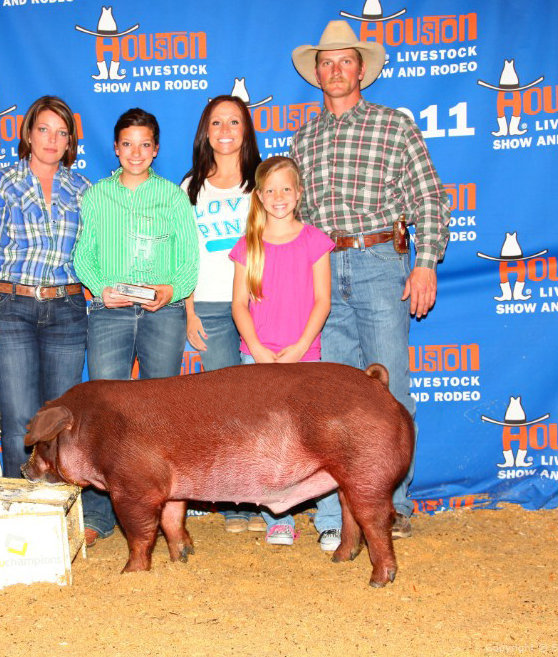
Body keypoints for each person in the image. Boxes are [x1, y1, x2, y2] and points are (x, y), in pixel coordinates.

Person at [290, 20, 450, 549]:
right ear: (317, 73)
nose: (336, 70)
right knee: (333, 403)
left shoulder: (394, 126)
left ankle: (393, 506)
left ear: (362, 69)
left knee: (389, 395)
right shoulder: (303, 137)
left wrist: (425, 262)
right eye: (326, 62)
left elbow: (428, 197)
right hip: (322, 266)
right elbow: (297, 216)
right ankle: (339, 515)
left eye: (345, 61)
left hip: (381, 259)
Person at [73, 107, 199, 547]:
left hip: (161, 312)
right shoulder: (96, 196)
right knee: (105, 414)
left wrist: (173, 289)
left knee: (160, 415)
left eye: (145, 144)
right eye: (128, 144)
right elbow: (82, 255)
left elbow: (189, 260)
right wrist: (99, 288)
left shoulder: (172, 196)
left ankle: (168, 516)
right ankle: (100, 516)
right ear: (115, 148)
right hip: (109, 311)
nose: (136, 152)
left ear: (157, 149)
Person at [0, 96, 90, 486]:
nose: (52, 140)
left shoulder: (83, 188)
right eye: (44, 130)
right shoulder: (0, 182)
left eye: (61, 132)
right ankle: (18, 510)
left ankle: (54, 511)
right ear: (28, 134)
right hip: (11, 306)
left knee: (59, 420)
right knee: (20, 417)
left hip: (67, 307)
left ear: (70, 141)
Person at [229, 156, 333, 546]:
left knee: (314, 438)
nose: (278, 197)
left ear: (299, 193)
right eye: (270, 190)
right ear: (258, 196)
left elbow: (322, 301)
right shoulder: (248, 246)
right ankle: (278, 516)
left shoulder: (314, 241)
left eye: (286, 189)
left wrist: (302, 346)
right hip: (257, 357)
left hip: (304, 355)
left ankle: (330, 517)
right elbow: (239, 305)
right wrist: (255, 347)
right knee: (266, 440)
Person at [181, 94, 265, 534]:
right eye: (217, 123)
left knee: (259, 408)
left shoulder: (263, 182)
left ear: (246, 131)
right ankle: (235, 501)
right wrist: (189, 311)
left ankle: (263, 498)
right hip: (210, 308)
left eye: (235, 122)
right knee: (224, 409)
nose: (226, 130)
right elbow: (185, 255)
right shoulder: (190, 186)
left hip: (259, 307)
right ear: (206, 131)